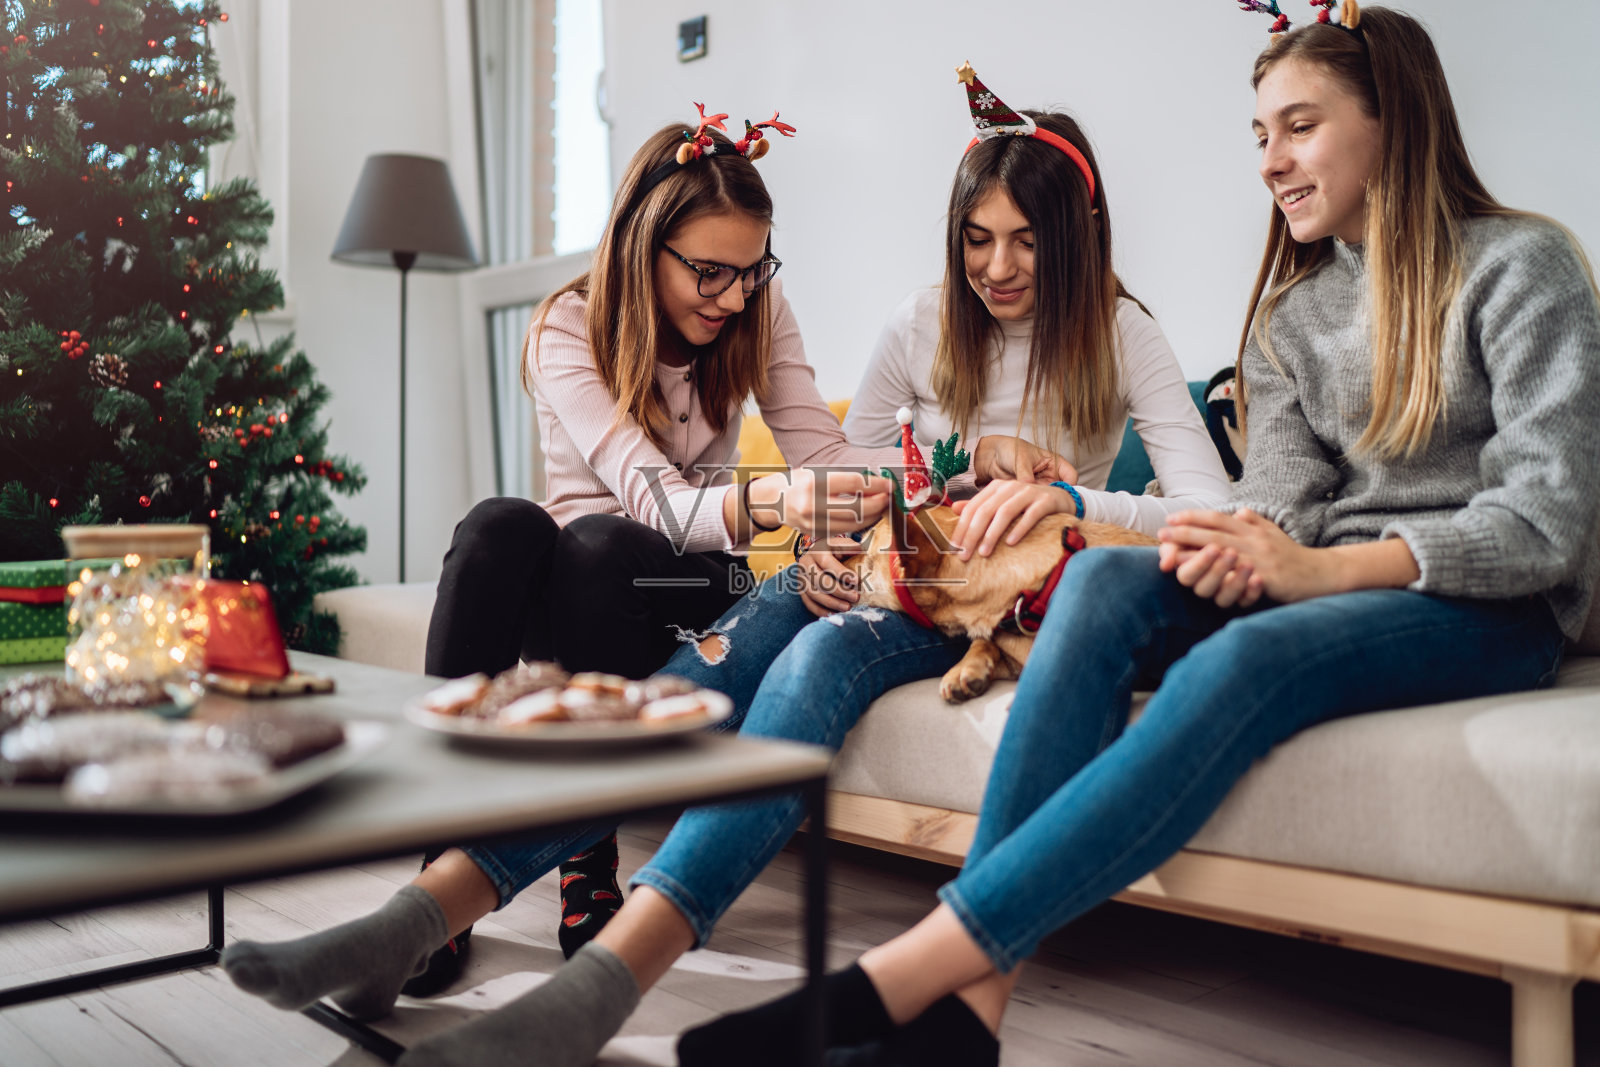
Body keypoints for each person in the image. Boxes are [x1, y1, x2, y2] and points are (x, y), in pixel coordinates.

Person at [676, 5, 1600, 1065]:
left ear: (1392, 118)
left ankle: (914, 970)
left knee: (1251, 649)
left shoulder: (1523, 265)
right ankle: (968, 1021)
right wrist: (1228, 547)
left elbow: (1544, 524)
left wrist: (1310, 567)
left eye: (1296, 126)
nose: (1270, 161)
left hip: (1483, 603)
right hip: (1323, 577)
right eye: (1260, 135)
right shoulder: (1290, 315)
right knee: (1099, 591)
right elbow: (1275, 508)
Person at [326, 69, 1230, 1067]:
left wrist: (1033, 489)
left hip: (946, 592)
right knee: (577, 565)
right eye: (977, 239)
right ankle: (442, 895)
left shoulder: (1110, 328)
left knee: (776, 649)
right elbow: (762, 485)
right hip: (779, 570)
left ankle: (598, 952)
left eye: (1025, 240)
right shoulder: (893, 321)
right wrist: (831, 517)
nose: (997, 267)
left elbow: (1194, 509)